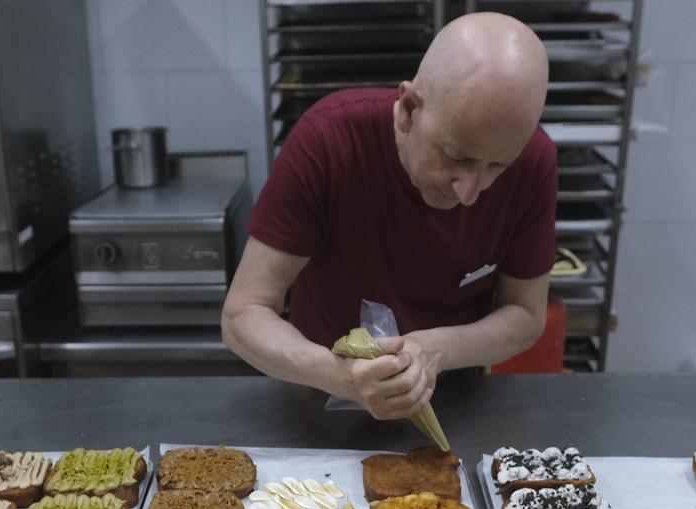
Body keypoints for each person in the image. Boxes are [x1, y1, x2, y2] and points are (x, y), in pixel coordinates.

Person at [222, 12, 555, 422]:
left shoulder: (535, 160)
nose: (471, 192)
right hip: (319, 402)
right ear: (408, 109)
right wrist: (340, 377)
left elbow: (525, 315)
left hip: (454, 402)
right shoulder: (329, 141)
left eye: (498, 167)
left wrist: (437, 350)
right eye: (456, 157)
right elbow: (243, 314)